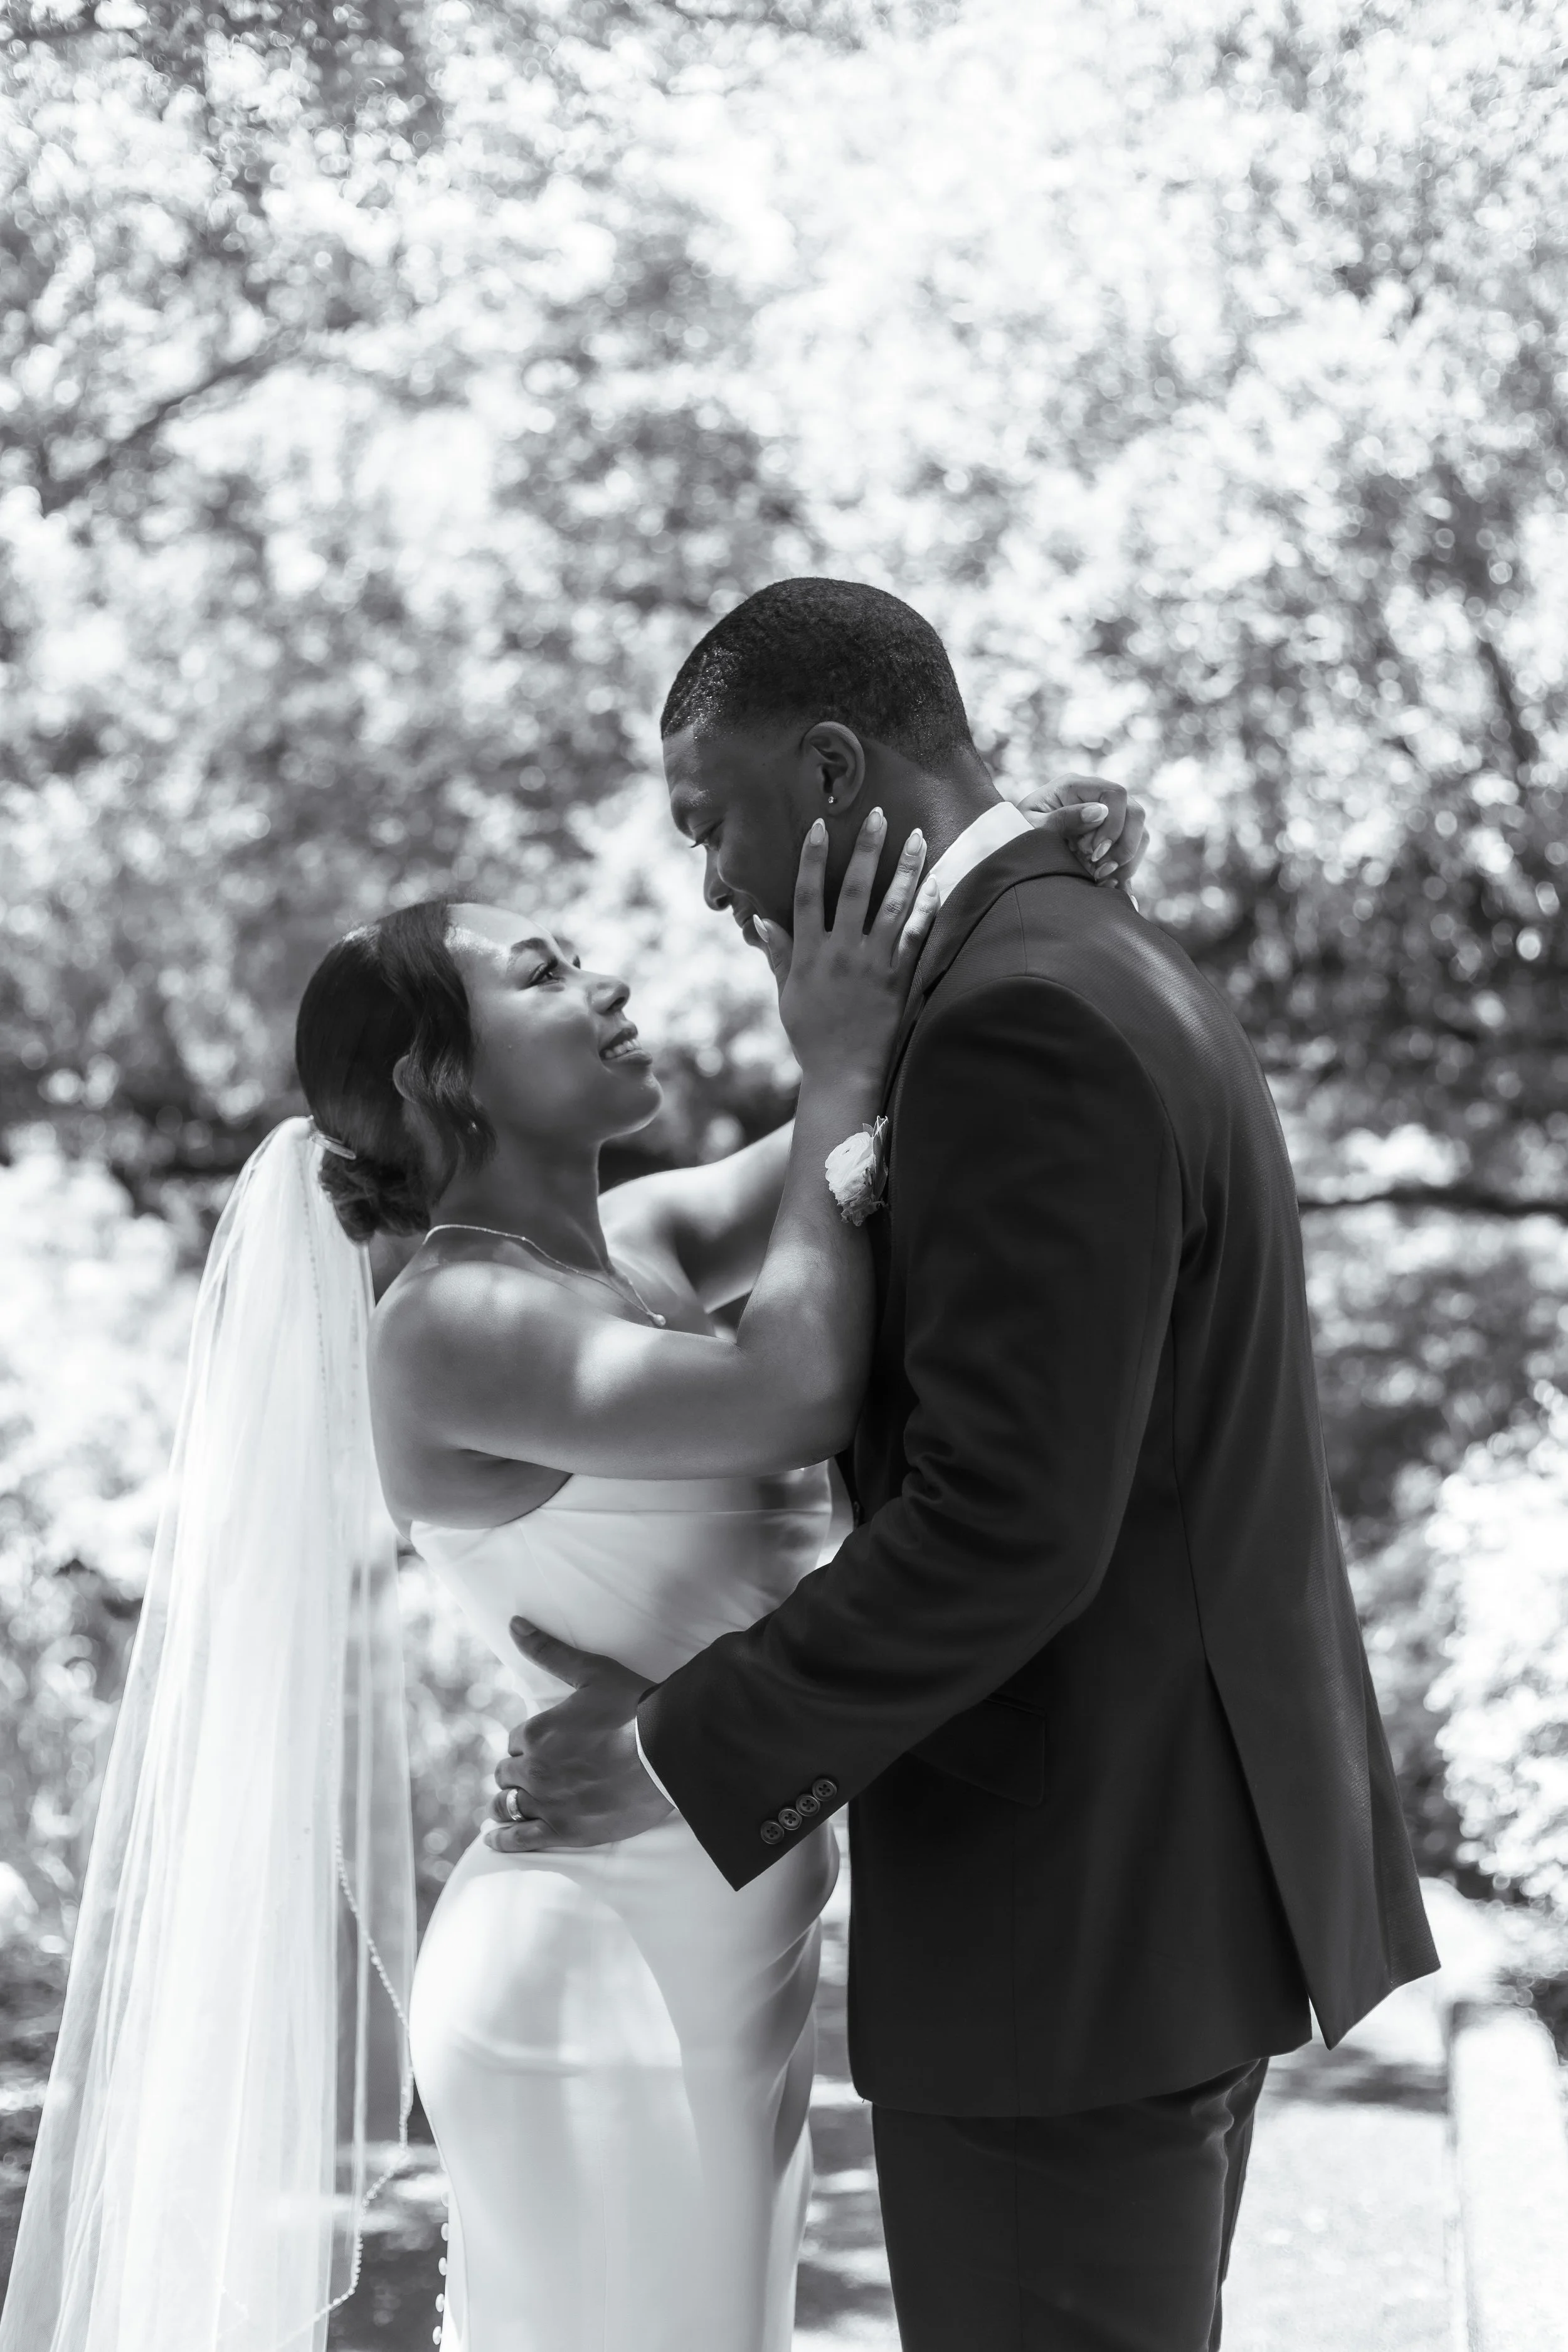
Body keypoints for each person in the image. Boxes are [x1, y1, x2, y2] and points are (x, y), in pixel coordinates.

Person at [0, 736, 1135, 2352]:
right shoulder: (448, 1325)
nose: (608, 982)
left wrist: (1014, 874)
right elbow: (797, 1384)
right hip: (591, 1976)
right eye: (544, 972)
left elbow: (902, 1101)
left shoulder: (648, 1241)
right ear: (427, 1078)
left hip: (725, 1928)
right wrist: (828, 1068)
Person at [488, 578, 1441, 2352]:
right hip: (1133, 1895)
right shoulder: (1063, 956)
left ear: (834, 768)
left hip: (1066, 1921)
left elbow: (1007, 1522)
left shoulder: (1020, 1018)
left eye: (715, 824)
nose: (706, 888)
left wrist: (672, 1743)